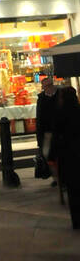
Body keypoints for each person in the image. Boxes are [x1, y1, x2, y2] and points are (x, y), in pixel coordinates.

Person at [52, 85, 80, 230]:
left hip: (68, 156)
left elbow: (55, 137)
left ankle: (77, 220)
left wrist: (52, 155)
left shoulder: (60, 114)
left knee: (73, 190)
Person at [36, 73, 59, 186]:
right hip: (46, 133)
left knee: (60, 155)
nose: (49, 88)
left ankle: (61, 178)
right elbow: (39, 117)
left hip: (59, 131)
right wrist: (39, 137)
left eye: (50, 85)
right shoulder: (41, 98)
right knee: (48, 156)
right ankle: (55, 178)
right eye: (46, 86)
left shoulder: (59, 95)